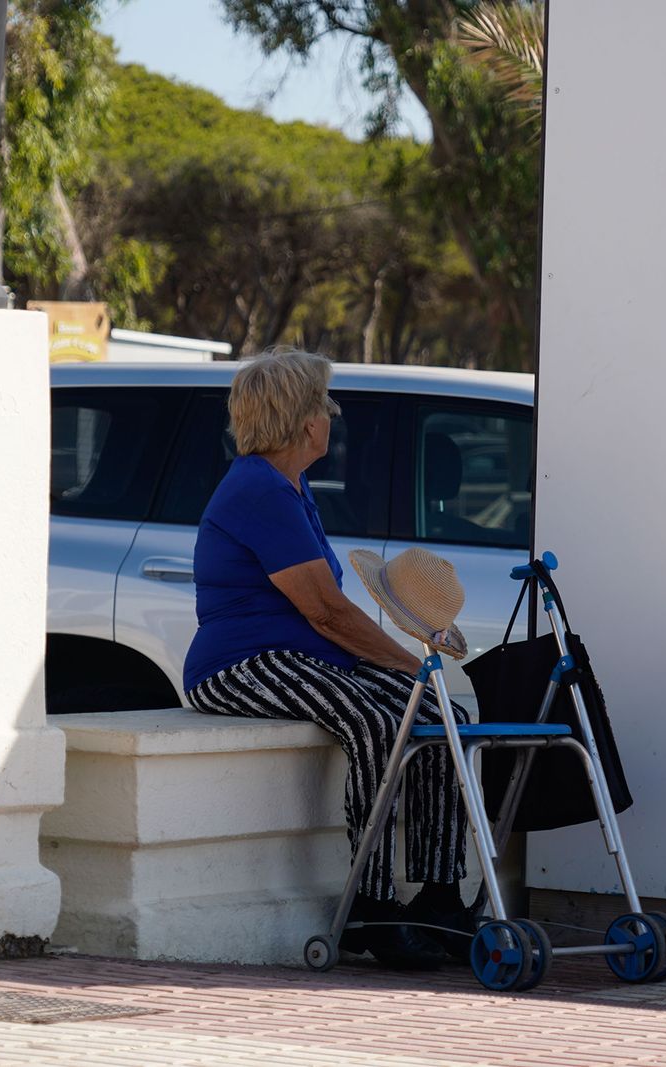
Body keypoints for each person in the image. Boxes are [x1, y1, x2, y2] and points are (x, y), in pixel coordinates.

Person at [183, 350, 471, 970]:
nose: (331, 418)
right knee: (377, 721)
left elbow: (327, 618)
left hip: (302, 658)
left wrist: (415, 680)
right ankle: (371, 906)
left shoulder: (289, 485)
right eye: (325, 406)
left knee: (438, 715)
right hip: (241, 664)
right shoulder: (259, 489)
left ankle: (440, 895)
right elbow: (326, 611)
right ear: (303, 421)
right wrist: (407, 664)